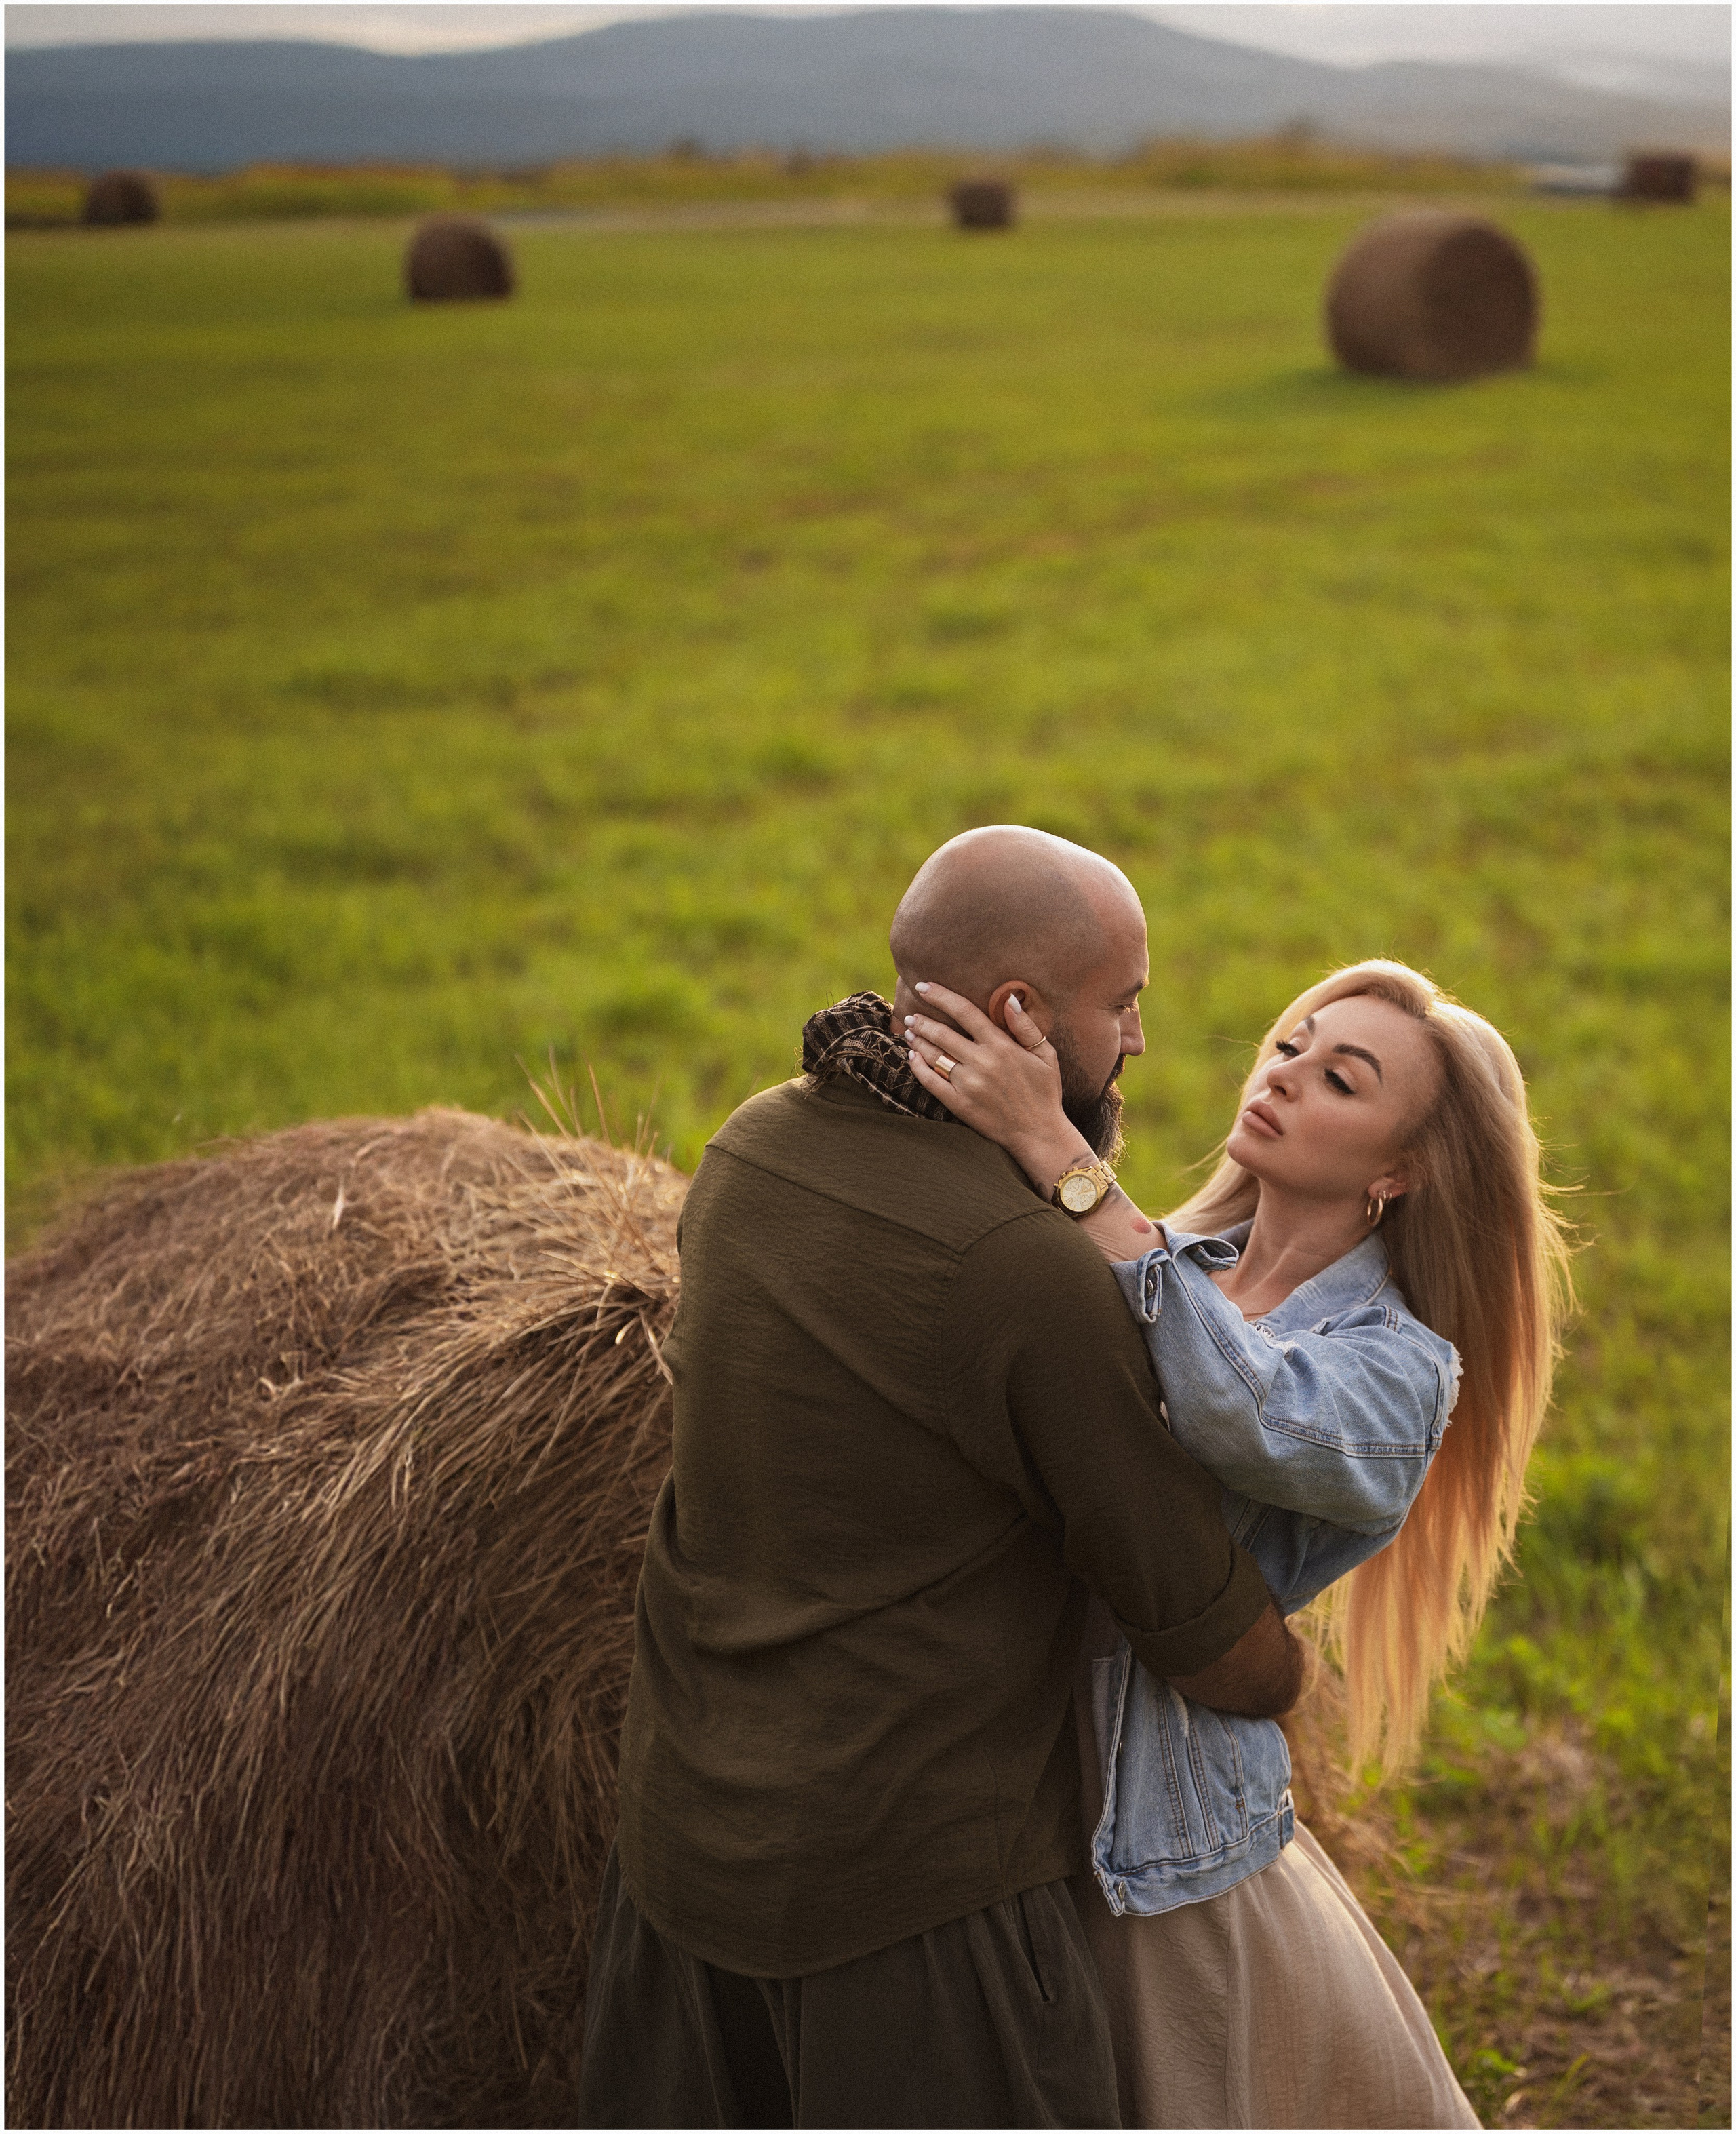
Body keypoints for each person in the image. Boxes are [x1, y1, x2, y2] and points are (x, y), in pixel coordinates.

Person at [577, 827, 1304, 2128]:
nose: (1138, 1039)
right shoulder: (1019, 1269)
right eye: (1122, 1004)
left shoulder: (748, 1153)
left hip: (682, 1871)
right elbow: (1209, 1637)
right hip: (912, 1923)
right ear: (1020, 1013)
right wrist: (1292, 1664)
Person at [902, 956, 1572, 2129]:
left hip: (1164, 1842)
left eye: (1342, 1081)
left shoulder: (1399, 1370)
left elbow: (1237, 1404)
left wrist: (1061, 1160)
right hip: (1011, 1780)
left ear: (1401, 1170)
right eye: (1292, 1045)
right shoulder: (1175, 1262)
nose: (1285, 1074)